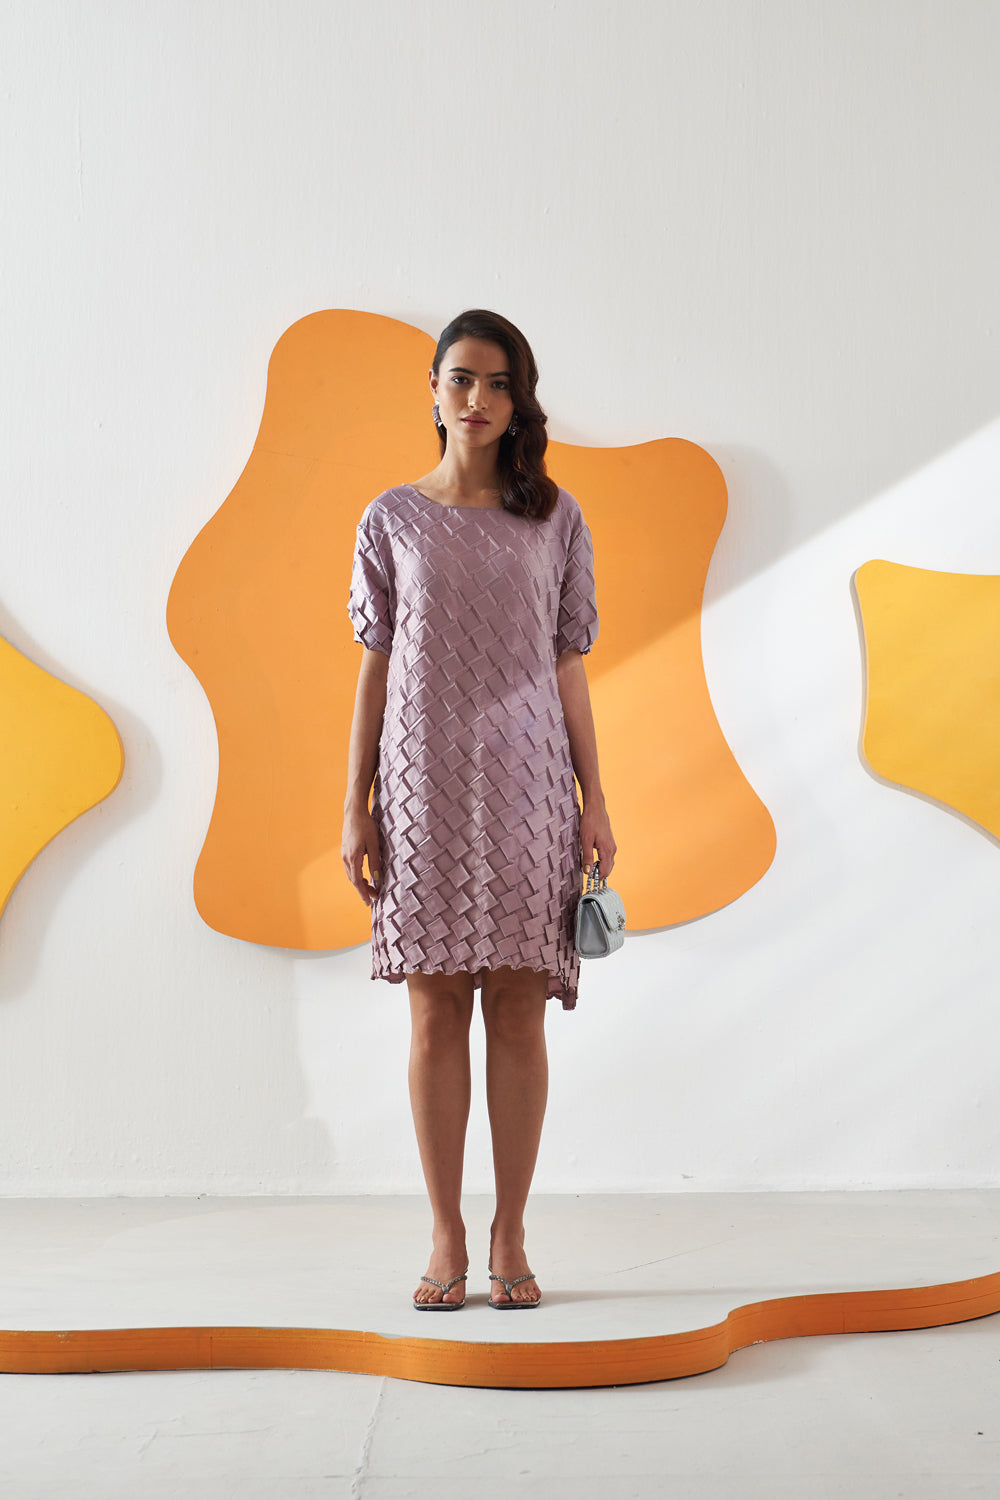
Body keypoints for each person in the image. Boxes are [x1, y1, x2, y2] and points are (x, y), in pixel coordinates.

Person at [341, 309, 616, 1310]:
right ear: (433, 389)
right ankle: (445, 1233)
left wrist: (594, 797)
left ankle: (510, 1229)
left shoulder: (555, 517)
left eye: (499, 383)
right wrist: (357, 803)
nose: (478, 399)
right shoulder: (389, 519)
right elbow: (374, 670)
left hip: (529, 788)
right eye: (462, 378)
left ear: (518, 400)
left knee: (516, 1010)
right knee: (432, 1012)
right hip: (420, 789)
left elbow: (569, 665)